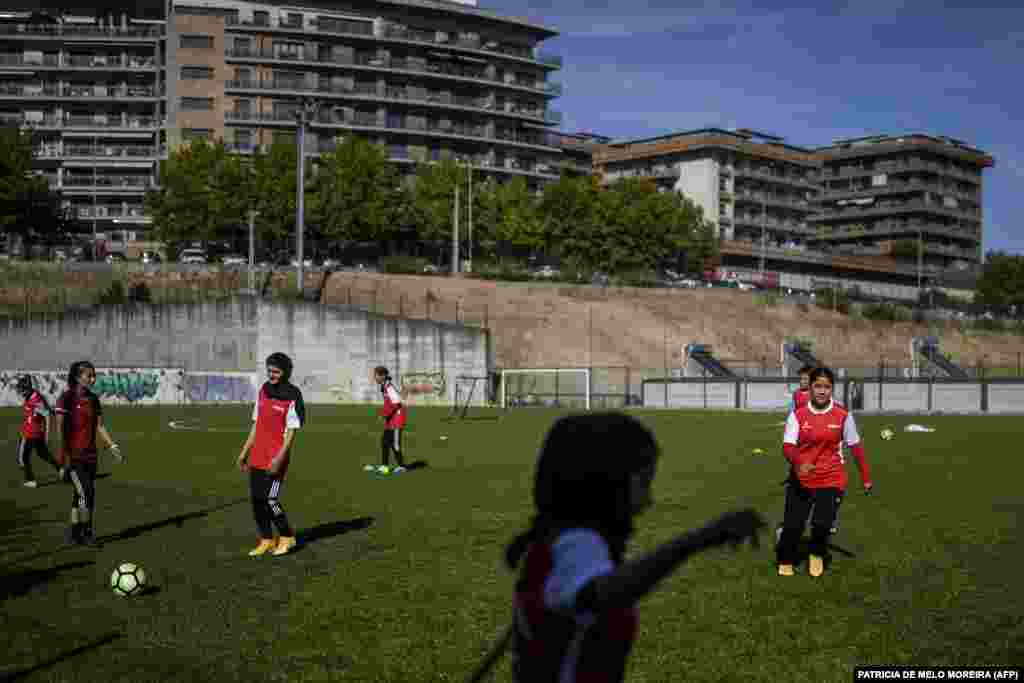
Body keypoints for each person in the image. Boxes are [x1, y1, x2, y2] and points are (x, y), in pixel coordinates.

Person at [494, 413, 763, 683]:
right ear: (604, 482)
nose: (649, 500)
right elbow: (602, 593)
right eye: (643, 483)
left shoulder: (554, 537)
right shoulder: (577, 542)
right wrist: (696, 541)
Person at [777, 366, 873, 578]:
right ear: (810, 388)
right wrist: (799, 462)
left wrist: (866, 477)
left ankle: (817, 555)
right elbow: (788, 446)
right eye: (817, 386)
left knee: (822, 524)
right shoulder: (798, 415)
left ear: (832, 389)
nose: (822, 391)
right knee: (793, 526)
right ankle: (785, 558)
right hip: (801, 478)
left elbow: (855, 446)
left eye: (827, 387)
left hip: (831, 477)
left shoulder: (843, 415)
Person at [237, 352, 304, 557]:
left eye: (276, 371)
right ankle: (266, 539)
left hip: (276, 457)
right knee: (257, 500)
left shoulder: (293, 395)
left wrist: (279, 459)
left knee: (270, 500)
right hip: (257, 454)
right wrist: (244, 453)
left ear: (285, 372)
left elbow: (291, 433)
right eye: (269, 371)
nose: (271, 375)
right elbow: (256, 425)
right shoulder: (264, 390)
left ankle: (287, 536)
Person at [54, 361, 124, 546]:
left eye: (94, 375)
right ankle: (87, 532)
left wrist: (111, 446)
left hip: (90, 456)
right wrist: (63, 460)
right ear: (78, 377)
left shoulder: (93, 399)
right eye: (89, 375)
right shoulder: (66, 398)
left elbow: (99, 426)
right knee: (87, 493)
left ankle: (74, 532)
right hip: (73, 457)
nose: (93, 379)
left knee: (80, 496)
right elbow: (60, 430)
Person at [15, 375, 61, 487]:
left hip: (30, 433)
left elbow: (46, 414)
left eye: (22, 389)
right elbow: (47, 410)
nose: (21, 391)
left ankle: (30, 480)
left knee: (22, 458)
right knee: (43, 453)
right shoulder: (33, 396)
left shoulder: (36, 399)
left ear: (29, 388)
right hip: (35, 432)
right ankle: (61, 469)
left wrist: (47, 434)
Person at [371, 366, 406, 475]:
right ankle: (384, 467)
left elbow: (397, 402)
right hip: (391, 419)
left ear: (383, 376)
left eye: (376, 375)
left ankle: (401, 467)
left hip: (397, 419)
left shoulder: (389, 387)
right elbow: (388, 403)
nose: (374, 377)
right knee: (384, 442)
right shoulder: (384, 386)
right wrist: (385, 414)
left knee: (395, 444)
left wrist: (384, 415)